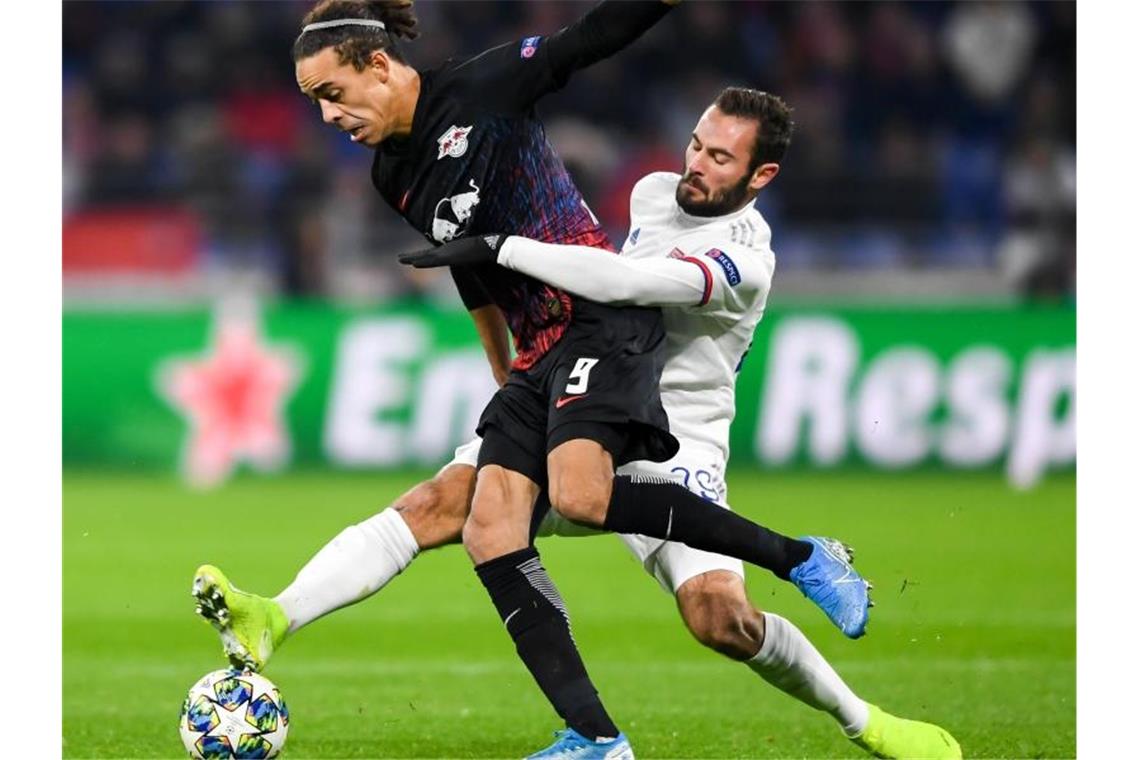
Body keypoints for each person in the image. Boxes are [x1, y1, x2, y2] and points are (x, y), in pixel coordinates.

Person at [194, 2, 869, 756]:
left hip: (601, 324)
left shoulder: (483, 86)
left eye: (331, 92)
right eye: (314, 100)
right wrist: (503, 370)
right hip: (543, 350)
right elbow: (468, 268)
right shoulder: (393, 170)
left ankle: (801, 558)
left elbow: (590, 39)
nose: (327, 115)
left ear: (378, 66)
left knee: (584, 501)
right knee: (476, 520)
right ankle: (588, 735)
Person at [400, 87, 961, 760]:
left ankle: (862, 718)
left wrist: (499, 247)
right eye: (696, 143)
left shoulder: (745, 261)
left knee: (719, 618)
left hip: (679, 437)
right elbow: (594, 279)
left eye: (720, 157)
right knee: (448, 506)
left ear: (762, 176)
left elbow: (618, 285)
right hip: (597, 402)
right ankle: (272, 616)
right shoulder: (654, 194)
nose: (696, 162)